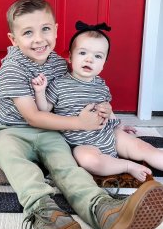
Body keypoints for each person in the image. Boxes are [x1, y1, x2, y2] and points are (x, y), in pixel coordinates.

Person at [0, 0, 163, 229]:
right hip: (12, 130)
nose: (39, 39)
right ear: (13, 38)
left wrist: (105, 114)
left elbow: (76, 95)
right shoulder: (11, 69)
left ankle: (104, 210)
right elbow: (32, 117)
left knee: (68, 167)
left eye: (46, 29)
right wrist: (80, 123)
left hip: (52, 130)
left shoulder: (59, 64)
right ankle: (47, 214)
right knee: (15, 162)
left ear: (56, 30)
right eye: (28, 33)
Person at [32, 21, 163, 183]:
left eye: (98, 56)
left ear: (103, 64)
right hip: (80, 142)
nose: (89, 59)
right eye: (82, 53)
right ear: (70, 57)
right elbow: (44, 110)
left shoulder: (101, 85)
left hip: (107, 134)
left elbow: (108, 109)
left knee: (143, 147)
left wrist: (117, 124)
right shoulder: (59, 84)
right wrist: (40, 92)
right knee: (89, 161)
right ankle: (128, 166)